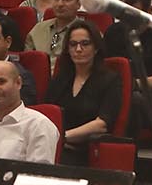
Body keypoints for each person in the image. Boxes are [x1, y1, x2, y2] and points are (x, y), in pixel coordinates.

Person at [44, 19, 122, 165]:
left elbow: (102, 124)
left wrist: (64, 137)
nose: (78, 49)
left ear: (96, 48)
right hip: (56, 145)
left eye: (85, 44)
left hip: (86, 149)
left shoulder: (110, 79)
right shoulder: (61, 79)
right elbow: (47, 114)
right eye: (73, 44)